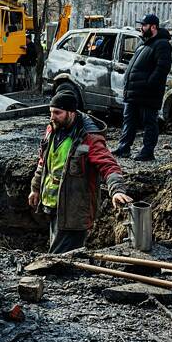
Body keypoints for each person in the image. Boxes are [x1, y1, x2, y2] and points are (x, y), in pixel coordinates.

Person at [27, 89, 133, 254]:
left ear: (71, 113)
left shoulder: (89, 137)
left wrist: (117, 190)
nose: (52, 117)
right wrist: (35, 189)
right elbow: (44, 163)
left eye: (57, 112)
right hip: (54, 206)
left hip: (74, 210)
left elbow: (108, 165)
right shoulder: (52, 130)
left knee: (58, 258)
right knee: (59, 256)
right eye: (51, 112)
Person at [113, 13, 172, 162]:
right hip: (133, 92)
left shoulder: (162, 44)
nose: (141, 28)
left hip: (148, 93)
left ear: (153, 27)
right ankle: (123, 148)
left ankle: (147, 152)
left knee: (149, 123)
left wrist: (149, 84)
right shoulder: (144, 44)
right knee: (129, 121)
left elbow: (162, 68)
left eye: (144, 25)